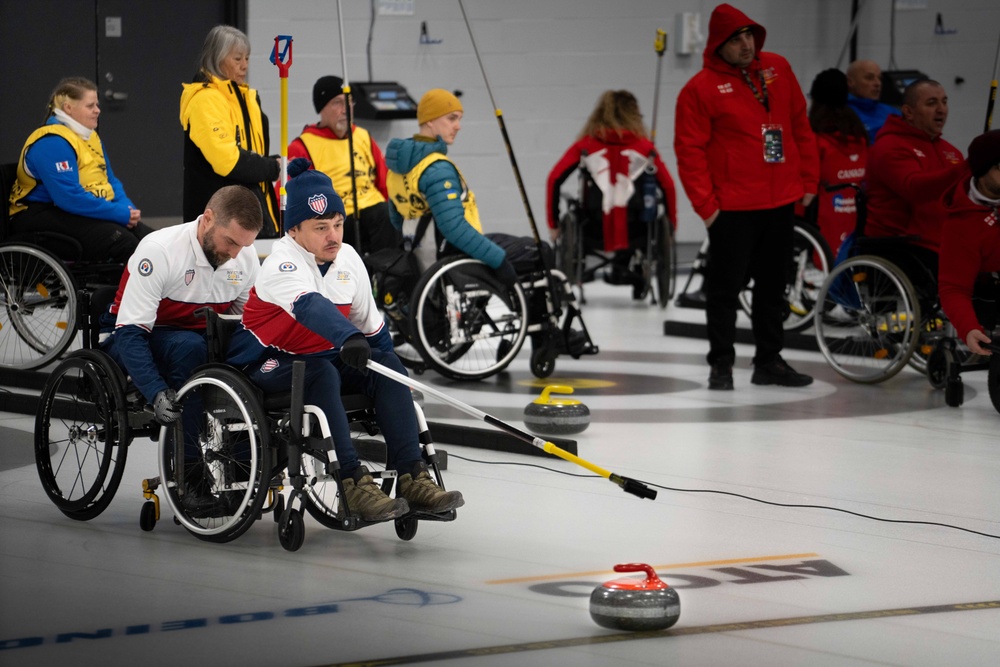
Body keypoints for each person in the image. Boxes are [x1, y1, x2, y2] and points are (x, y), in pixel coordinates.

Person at [227, 161, 464, 522]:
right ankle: (352, 482)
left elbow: (372, 328)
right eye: (321, 228)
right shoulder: (281, 263)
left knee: (387, 364)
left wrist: (394, 377)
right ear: (294, 229)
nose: (333, 236)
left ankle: (412, 476)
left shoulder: (347, 258)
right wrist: (347, 336)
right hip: (268, 361)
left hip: (325, 356)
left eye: (337, 225)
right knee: (321, 372)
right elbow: (311, 307)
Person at [673, 3, 819, 390]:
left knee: (773, 287)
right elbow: (690, 153)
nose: (746, 44)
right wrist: (708, 210)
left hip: (780, 201)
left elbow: (799, 125)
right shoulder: (699, 90)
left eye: (749, 35)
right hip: (733, 209)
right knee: (725, 290)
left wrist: (808, 180)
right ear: (718, 44)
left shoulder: (779, 68)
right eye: (736, 38)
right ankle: (721, 363)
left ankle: (768, 360)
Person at [102, 185, 263, 422]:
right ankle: (187, 456)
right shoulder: (159, 250)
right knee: (190, 346)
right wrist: (155, 391)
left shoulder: (245, 259)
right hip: (130, 339)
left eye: (244, 245)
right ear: (208, 219)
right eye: (230, 241)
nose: (236, 254)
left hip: (196, 340)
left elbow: (244, 328)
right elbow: (130, 334)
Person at [546, 89, 678, 298]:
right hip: (637, 232)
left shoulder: (586, 145)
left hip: (592, 230)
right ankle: (626, 271)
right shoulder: (644, 147)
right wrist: (672, 225)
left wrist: (553, 223)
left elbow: (554, 179)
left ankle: (594, 273)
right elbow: (668, 187)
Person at [8, 77, 152, 263]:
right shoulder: (52, 141)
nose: (97, 110)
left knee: (153, 241)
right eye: (90, 105)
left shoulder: (90, 137)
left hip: (74, 208)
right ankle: (123, 292)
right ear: (68, 108)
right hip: (39, 214)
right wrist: (118, 213)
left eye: (97, 105)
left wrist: (127, 208)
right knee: (123, 242)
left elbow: (110, 180)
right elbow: (69, 198)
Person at [384, 89, 518, 287]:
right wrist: (498, 261)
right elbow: (453, 228)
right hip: (454, 256)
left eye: (459, 119)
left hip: (421, 258)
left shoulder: (395, 170)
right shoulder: (437, 168)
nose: (458, 126)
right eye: (452, 118)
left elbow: (397, 220)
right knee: (536, 250)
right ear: (430, 121)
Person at [864, 79, 965, 299]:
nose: (941, 110)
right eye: (931, 103)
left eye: (944, 102)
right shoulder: (889, 147)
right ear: (908, 112)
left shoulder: (951, 153)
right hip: (905, 245)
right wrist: (963, 170)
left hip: (946, 242)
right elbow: (914, 188)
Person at [180, 25, 281, 237]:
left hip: (251, 204)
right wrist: (272, 168)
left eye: (247, 58)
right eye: (237, 59)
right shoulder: (204, 99)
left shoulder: (248, 98)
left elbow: (251, 154)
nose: (244, 65)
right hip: (221, 215)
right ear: (217, 58)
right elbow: (227, 160)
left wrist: (275, 164)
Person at [287, 75, 400, 254]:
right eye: (337, 103)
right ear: (322, 108)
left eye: (349, 102)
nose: (345, 109)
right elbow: (293, 197)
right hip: (334, 217)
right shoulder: (302, 145)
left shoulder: (363, 137)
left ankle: (388, 276)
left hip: (374, 213)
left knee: (389, 214)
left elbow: (385, 183)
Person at [938, 130, 1000, 356]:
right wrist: (969, 328)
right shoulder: (961, 224)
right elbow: (954, 288)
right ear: (983, 171)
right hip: (990, 291)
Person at [807, 68, 869, 258]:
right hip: (856, 210)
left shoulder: (815, 134)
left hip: (821, 214)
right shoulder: (858, 131)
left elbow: (808, 176)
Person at [846, 60, 901, 144]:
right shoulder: (840, 114)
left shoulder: (892, 112)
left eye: (879, 78)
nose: (877, 83)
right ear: (850, 82)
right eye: (869, 78)